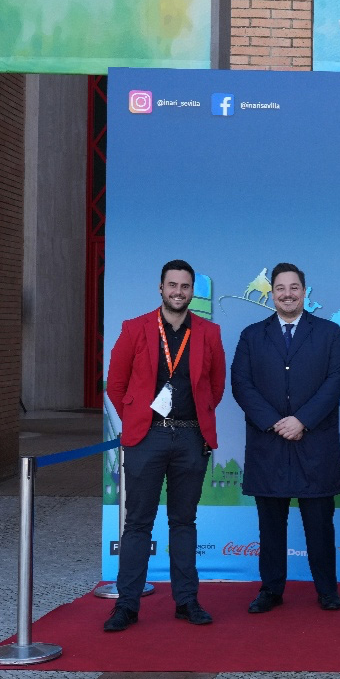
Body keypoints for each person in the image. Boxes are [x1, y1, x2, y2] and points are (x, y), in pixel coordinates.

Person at [103, 260, 227, 632]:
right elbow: (116, 384)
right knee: (138, 523)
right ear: (160, 288)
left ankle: (187, 601)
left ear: (192, 291)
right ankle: (127, 605)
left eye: (185, 286)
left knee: (184, 522)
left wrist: (195, 423)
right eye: (172, 285)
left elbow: (216, 386)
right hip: (147, 437)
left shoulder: (209, 332)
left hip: (190, 437)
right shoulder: (135, 328)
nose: (178, 292)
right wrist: (137, 421)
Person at [231, 262, 340, 613]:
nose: (287, 294)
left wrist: (302, 420)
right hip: (268, 445)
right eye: (280, 288)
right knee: (270, 527)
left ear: (304, 291)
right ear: (272, 293)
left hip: (315, 444)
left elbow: (337, 380)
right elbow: (241, 383)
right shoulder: (252, 335)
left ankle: (327, 590)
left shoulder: (329, 332)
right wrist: (273, 422)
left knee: (319, 525)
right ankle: (271, 590)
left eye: (294, 287)